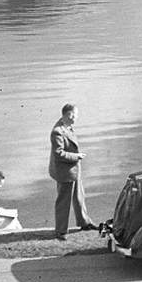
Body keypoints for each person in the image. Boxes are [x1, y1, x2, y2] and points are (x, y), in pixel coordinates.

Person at [48, 102, 97, 240]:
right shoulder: (57, 131)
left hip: (73, 169)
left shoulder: (67, 126)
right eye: (75, 115)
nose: (77, 118)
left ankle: (84, 222)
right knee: (64, 201)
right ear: (69, 115)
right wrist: (77, 156)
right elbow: (59, 153)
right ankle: (60, 231)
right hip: (65, 172)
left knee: (79, 196)